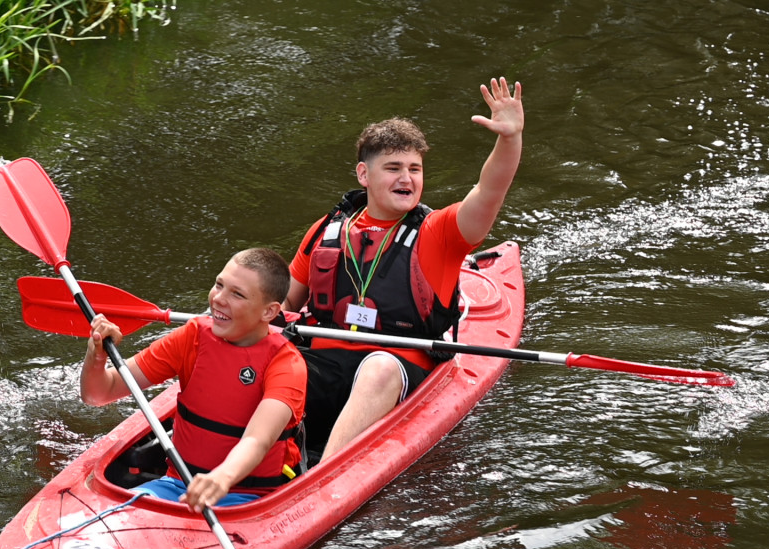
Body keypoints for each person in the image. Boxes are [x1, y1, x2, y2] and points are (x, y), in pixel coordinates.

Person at [283, 77, 524, 461]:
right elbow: (284, 307)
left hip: (397, 369)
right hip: (325, 363)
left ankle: (321, 476)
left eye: (415, 168)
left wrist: (509, 139)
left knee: (377, 368)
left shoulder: (440, 233)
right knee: (266, 359)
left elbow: (489, 190)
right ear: (364, 175)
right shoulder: (326, 231)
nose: (407, 178)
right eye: (393, 168)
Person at [80, 247, 307, 511]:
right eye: (219, 284)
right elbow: (99, 393)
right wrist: (96, 354)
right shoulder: (193, 338)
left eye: (237, 294)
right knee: (116, 518)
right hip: (176, 487)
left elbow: (258, 440)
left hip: (252, 500)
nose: (218, 299)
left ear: (269, 312)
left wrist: (221, 478)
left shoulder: (286, 364)